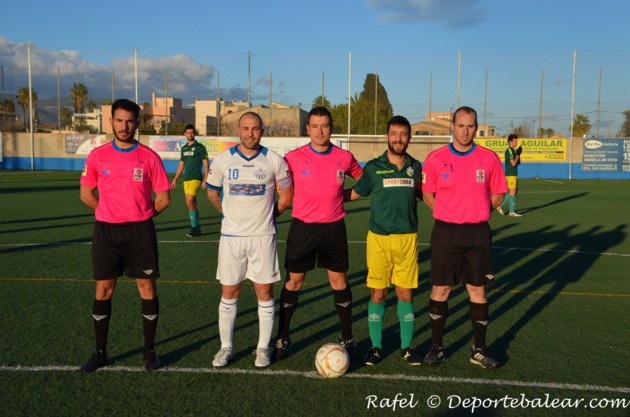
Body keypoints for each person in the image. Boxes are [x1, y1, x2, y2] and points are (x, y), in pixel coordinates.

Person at [79, 98, 171, 372]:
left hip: (140, 231)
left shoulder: (149, 157)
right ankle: (99, 352)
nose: (124, 126)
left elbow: (164, 198)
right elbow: (86, 194)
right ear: (111, 122)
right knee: (103, 290)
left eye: (130, 121)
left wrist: (141, 215)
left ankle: (149, 352)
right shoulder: (97, 156)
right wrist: (107, 211)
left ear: (137, 124)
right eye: (119, 120)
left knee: (147, 288)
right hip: (106, 231)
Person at [274, 106, 363, 361]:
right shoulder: (293, 158)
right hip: (302, 228)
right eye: (315, 126)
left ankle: (347, 337)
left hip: (333, 228)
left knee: (339, 281)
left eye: (324, 126)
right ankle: (283, 336)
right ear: (308, 129)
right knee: (294, 281)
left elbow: (364, 182)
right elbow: (279, 186)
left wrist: (341, 197)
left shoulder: (344, 157)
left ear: (331, 128)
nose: (320, 131)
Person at [421, 106, 507, 369]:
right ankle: (437, 348)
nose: (465, 131)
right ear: (452, 126)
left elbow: (499, 193)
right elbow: (427, 194)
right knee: (441, 289)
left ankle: (479, 350)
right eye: (461, 125)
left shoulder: (489, 158)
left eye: (470, 126)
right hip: (446, 232)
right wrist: (447, 213)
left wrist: (479, 211)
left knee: (477, 289)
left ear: (476, 127)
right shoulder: (435, 158)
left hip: (477, 233)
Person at [206, 112, 292, 368]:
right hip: (231, 238)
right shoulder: (223, 160)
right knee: (229, 292)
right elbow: (212, 193)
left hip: (263, 237)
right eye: (245, 128)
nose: (250, 133)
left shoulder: (274, 160)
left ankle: (262, 348)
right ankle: (226, 347)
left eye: (255, 128)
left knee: (264, 292)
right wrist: (227, 214)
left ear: (262, 131)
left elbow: (286, 197)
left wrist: (268, 217)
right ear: (238, 130)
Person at [348, 116, 423, 366]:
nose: (398, 139)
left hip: (407, 239)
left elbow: (425, 193)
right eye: (394, 133)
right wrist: (324, 196)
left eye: (403, 134)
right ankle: (376, 347)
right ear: (386, 136)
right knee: (378, 294)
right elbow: (355, 193)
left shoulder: (416, 167)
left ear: (409, 137)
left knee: (405, 294)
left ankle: (407, 348)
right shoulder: (373, 167)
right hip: (379, 240)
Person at [171, 124, 209, 236]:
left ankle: (194, 228)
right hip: (186, 179)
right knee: (192, 203)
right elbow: (181, 165)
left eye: (192, 133)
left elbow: (206, 165)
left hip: (196, 178)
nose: (190, 134)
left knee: (189, 201)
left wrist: (205, 180)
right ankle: (197, 228)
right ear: (185, 134)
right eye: (188, 133)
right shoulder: (184, 148)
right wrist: (175, 179)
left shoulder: (200, 147)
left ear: (194, 134)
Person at [497, 134, 523, 217]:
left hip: (514, 174)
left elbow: (518, 163)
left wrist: (519, 154)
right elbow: (513, 163)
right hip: (510, 174)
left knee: (513, 192)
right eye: (515, 141)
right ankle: (511, 212)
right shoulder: (509, 150)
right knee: (512, 192)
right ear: (510, 142)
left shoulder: (513, 150)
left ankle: (500, 206)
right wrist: (517, 155)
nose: (516, 143)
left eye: (516, 141)